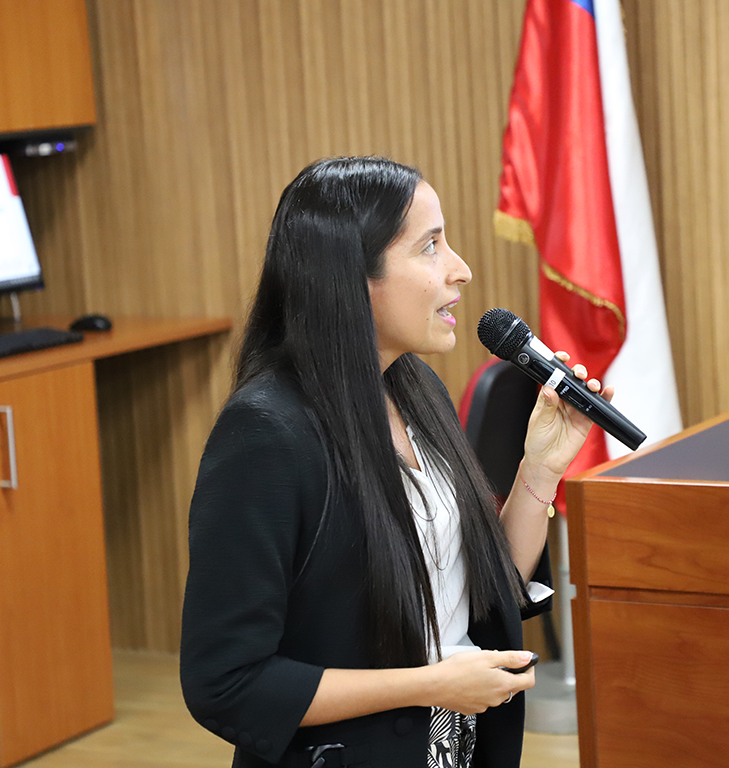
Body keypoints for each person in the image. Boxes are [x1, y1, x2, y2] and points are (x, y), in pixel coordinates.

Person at [180, 157, 611, 768]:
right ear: (352, 278)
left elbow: (483, 593)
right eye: (430, 247)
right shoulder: (265, 434)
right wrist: (431, 686)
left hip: (457, 748)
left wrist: (539, 469)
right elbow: (225, 683)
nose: (460, 270)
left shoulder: (414, 387)